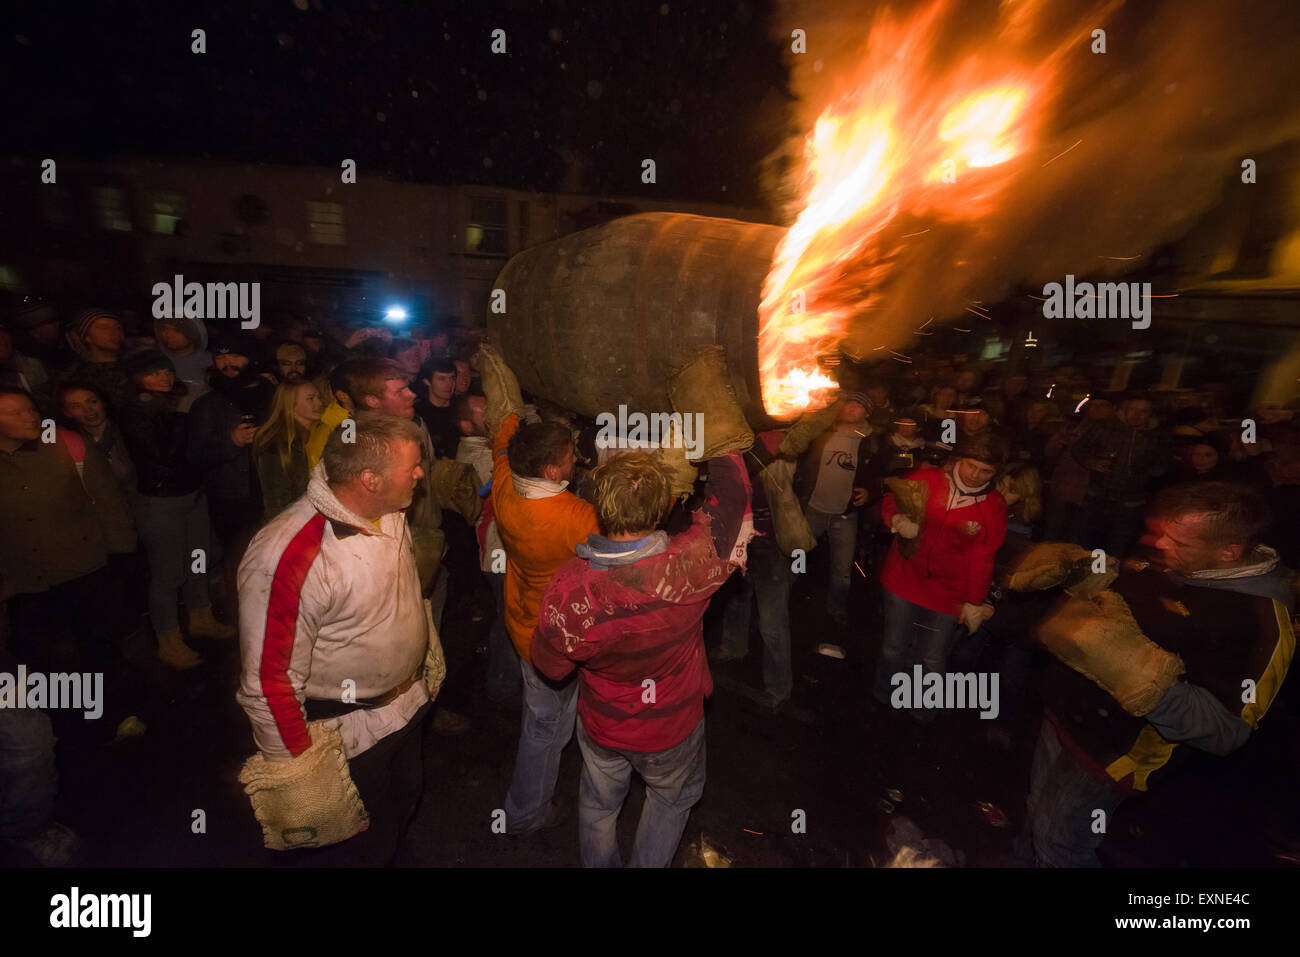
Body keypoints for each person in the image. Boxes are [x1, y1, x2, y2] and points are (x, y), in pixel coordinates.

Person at [1019, 482, 1295, 867]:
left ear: (1228, 552)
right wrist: (1086, 570)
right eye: (1163, 532)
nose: (1160, 545)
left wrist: (1134, 672)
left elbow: (1226, 732)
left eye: (1178, 541)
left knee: (1061, 843)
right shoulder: (1174, 561)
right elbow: (1127, 579)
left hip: (1113, 752)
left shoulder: (1260, 623)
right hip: (1064, 713)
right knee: (1036, 811)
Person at [532, 447, 751, 867]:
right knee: (670, 803)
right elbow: (732, 498)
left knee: (598, 808)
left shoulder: (567, 587)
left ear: (598, 505)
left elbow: (550, 667)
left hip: (604, 726)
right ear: (663, 507)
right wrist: (726, 444)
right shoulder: (690, 565)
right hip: (673, 726)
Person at [236, 413, 438, 866]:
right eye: (412, 467)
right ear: (369, 479)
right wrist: (304, 781)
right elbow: (267, 682)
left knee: (402, 810)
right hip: (348, 741)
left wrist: (421, 660)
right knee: (356, 849)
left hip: (404, 711)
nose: (421, 473)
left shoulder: (389, 508)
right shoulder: (287, 556)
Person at [481, 346, 600, 834]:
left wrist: (499, 370)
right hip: (554, 635)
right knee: (543, 725)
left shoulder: (506, 483)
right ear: (554, 470)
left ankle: (544, 784)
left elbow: (504, 429)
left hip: (522, 621)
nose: (576, 459)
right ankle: (523, 813)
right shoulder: (577, 517)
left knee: (556, 710)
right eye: (571, 456)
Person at [0, 387, 144, 739]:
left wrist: (122, 556)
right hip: (25, 580)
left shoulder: (66, 445)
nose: (30, 417)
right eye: (15, 413)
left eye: (31, 409)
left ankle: (114, 713)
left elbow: (108, 501)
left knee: (99, 645)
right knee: (46, 655)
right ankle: (68, 723)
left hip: (85, 569)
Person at [873, 432, 1009, 717]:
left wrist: (974, 601)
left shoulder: (993, 507)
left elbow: (983, 556)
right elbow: (891, 501)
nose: (975, 475)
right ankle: (883, 697)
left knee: (931, 657)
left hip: (948, 593)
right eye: (971, 465)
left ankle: (922, 712)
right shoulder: (929, 480)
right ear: (960, 460)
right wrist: (896, 519)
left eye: (986, 471)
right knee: (892, 647)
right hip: (903, 579)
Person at [118, 351, 234, 668]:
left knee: (199, 559)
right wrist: (185, 420)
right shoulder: (134, 413)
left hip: (191, 494)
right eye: (153, 373)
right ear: (137, 378)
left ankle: (201, 617)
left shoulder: (175, 408)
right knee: (168, 573)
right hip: (160, 502)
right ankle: (168, 639)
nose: (163, 378)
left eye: (166, 372)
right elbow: (164, 453)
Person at [795, 394, 873, 634]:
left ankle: (836, 611)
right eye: (849, 402)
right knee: (797, 559)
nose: (852, 408)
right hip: (813, 508)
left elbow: (879, 471)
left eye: (859, 405)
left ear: (867, 414)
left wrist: (870, 491)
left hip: (845, 515)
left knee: (842, 573)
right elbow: (800, 461)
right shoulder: (821, 431)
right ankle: (793, 601)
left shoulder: (871, 440)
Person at [1069, 394, 1173, 558]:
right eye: (1132, 409)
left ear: (1150, 414)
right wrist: (1092, 462)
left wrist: (1147, 470)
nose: (1136, 415)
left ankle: (1104, 578)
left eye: (1143, 411)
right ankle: (1086, 579)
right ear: (1124, 410)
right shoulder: (1104, 428)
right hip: (1097, 496)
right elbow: (1078, 449)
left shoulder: (1157, 437)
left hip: (1131, 502)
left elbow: (1164, 465)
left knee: (1116, 547)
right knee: (1087, 544)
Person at [254, 381, 323, 521]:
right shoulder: (277, 444)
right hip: (291, 524)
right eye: (310, 399)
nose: (319, 403)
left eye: (318, 397)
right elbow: (276, 502)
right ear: (291, 405)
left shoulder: (319, 432)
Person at [55, 381, 136, 498]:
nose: (88, 410)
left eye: (93, 402)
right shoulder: (68, 443)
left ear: (103, 402)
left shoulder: (127, 429)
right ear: (67, 413)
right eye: (76, 406)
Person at [59, 308, 132, 411]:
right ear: (87, 337)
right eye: (103, 328)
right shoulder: (78, 376)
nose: (114, 332)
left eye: (118, 327)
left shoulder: (137, 362)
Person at [154, 315, 212, 398]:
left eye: (176, 330)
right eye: (164, 329)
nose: (168, 335)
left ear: (192, 333)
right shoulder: (157, 360)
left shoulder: (210, 361)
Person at [416, 356, 461, 461]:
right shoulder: (419, 413)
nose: (449, 384)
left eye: (452, 378)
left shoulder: (461, 409)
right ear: (427, 381)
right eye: (442, 378)